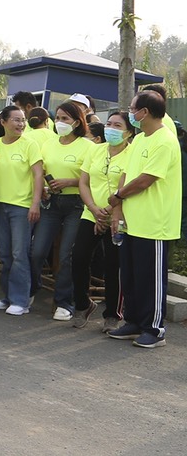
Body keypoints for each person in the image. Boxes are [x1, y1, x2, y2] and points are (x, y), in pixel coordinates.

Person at [107, 91, 182, 348]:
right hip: (133, 221)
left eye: (132, 109)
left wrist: (117, 196)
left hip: (155, 224)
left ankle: (155, 329)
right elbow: (127, 173)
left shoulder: (165, 141)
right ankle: (134, 322)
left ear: (145, 112)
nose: (131, 113)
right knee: (131, 276)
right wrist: (118, 207)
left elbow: (145, 180)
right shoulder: (139, 139)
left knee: (151, 280)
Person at [30, 99, 94, 322]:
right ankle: (33, 286)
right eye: (57, 118)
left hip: (77, 204)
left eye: (65, 119)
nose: (59, 122)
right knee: (37, 251)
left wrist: (70, 181)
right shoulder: (48, 144)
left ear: (77, 122)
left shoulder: (88, 147)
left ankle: (63, 301)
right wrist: (44, 190)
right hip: (51, 203)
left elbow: (93, 178)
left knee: (66, 255)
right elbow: (40, 172)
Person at [73, 110, 131, 331]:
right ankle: (82, 304)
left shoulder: (132, 153)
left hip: (118, 215)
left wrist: (107, 211)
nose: (111, 129)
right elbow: (84, 182)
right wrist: (94, 209)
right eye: (109, 124)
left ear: (128, 132)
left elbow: (125, 188)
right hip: (91, 213)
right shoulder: (95, 150)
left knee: (113, 264)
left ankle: (113, 315)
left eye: (117, 126)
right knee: (78, 258)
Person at [0, 105, 43, 316]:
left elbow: (38, 175)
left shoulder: (30, 145)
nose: (21, 124)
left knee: (19, 254)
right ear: (3, 121)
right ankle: (8, 296)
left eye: (23, 120)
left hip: (22, 207)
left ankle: (21, 301)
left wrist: (35, 203)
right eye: (16, 120)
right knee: (6, 254)